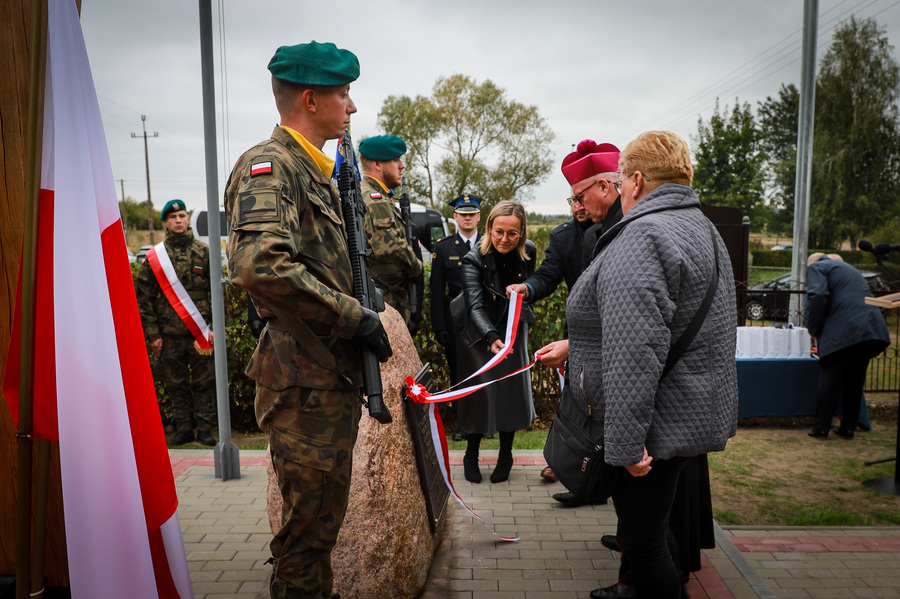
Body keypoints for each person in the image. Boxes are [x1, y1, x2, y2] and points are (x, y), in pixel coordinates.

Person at [223, 41, 392, 599]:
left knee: (319, 530)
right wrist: (353, 317)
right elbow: (259, 264)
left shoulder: (319, 171)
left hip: (324, 380)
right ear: (311, 98)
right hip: (302, 383)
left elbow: (325, 259)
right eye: (344, 94)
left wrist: (368, 298)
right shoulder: (269, 168)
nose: (353, 106)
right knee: (305, 538)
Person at [566, 130, 738, 599]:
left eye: (621, 179)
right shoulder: (700, 226)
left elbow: (634, 352)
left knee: (644, 546)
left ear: (637, 180)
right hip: (684, 412)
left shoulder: (644, 234)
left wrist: (626, 446)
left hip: (651, 428)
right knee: (654, 532)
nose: (619, 188)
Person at [514, 140, 624, 496]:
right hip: (582, 336)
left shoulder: (622, 229)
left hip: (614, 335)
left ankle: (600, 476)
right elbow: (547, 276)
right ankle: (575, 469)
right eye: (572, 201)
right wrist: (527, 289)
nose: (578, 207)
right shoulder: (563, 237)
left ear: (607, 188)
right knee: (576, 407)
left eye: (581, 198)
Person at [458, 200, 537, 484]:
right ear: (489, 227)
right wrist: (491, 337)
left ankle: (506, 455)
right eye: (499, 231)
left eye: (512, 233)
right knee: (480, 393)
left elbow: (529, 292)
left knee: (511, 392)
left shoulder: (528, 252)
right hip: (481, 333)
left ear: (522, 232)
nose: (504, 239)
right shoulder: (473, 259)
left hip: (515, 329)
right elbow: (475, 305)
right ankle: (471, 453)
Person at [136, 198, 216, 447]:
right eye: (172, 218)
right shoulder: (155, 257)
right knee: (176, 384)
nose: (178, 220)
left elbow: (216, 293)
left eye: (182, 215)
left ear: (187, 218)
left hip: (200, 332)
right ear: (165, 223)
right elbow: (144, 299)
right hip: (168, 334)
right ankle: (183, 429)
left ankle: (204, 430)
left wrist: (213, 329)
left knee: (205, 382)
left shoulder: (204, 252)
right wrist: (153, 334)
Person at [805, 252, 890, 439]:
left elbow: (817, 296)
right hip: (871, 329)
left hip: (845, 330)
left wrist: (812, 328)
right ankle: (848, 427)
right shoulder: (848, 268)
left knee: (831, 376)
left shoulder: (816, 267)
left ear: (811, 263)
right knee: (855, 379)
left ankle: (821, 427)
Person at [430, 193, 483, 441]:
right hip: (456, 321)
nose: (468, 219)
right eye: (463, 215)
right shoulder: (443, 247)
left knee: (485, 369)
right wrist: (440, 326)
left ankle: (485, 422)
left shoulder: (489, 244)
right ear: (455, 217)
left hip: (484, 318)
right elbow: (436, 290)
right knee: (459, 373)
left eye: (472, 214)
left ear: (479, 216)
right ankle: (463, 424)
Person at [358, 134, 424, 331]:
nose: (402, 165)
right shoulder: (375, 199)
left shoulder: (377, 197)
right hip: (384, 301)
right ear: (378, 164)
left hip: (384, 299)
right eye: (395, 160)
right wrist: (416, 267)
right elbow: (390, 247)